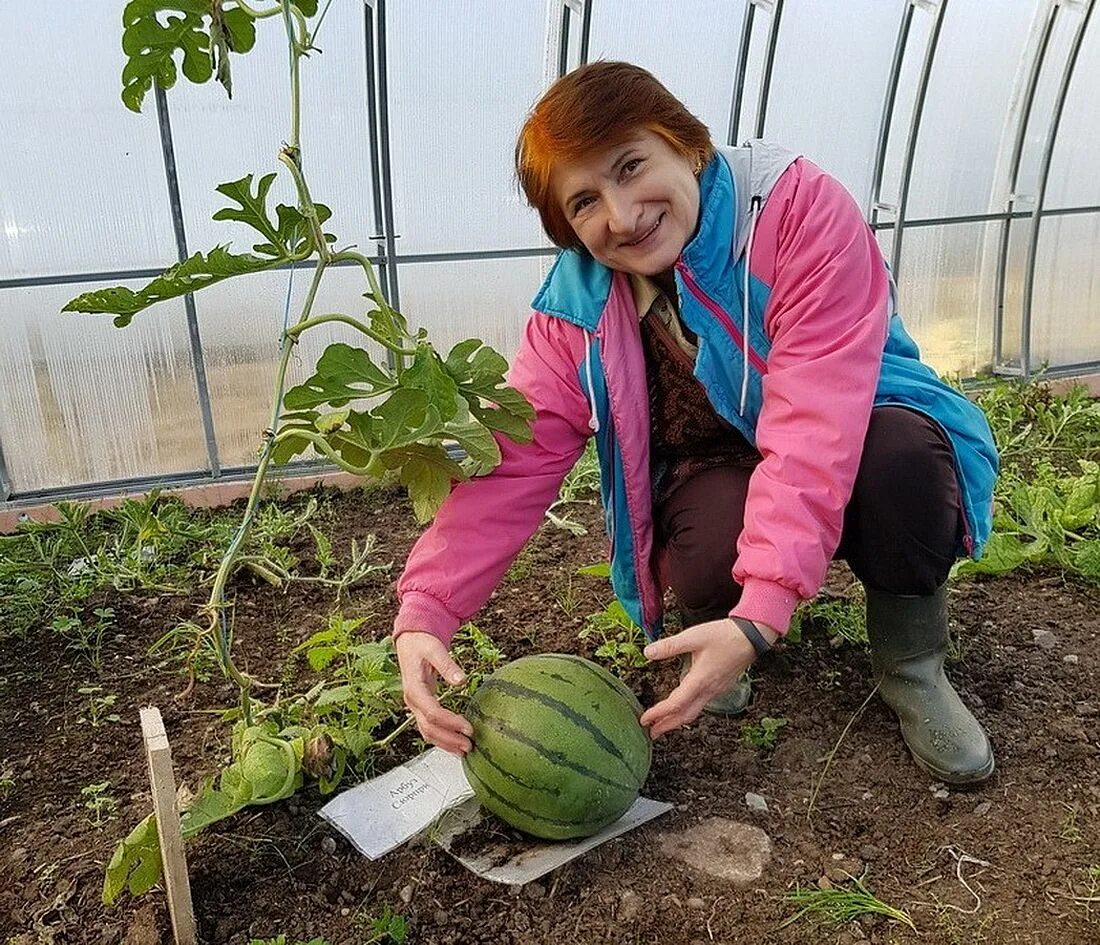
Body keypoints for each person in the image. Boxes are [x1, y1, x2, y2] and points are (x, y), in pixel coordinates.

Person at [392, 61, 998, 785]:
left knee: (904, 461)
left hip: (857, 420)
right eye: (584, 201)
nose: (621, 215)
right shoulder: (575, 308)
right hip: (716, 462)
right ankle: (710, 628)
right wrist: (426, 610)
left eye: (631, 165)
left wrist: (764, 609)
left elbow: (816, 422)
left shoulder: (795, 213)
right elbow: (515, 461)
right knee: (706, 544)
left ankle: (911, 662)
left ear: (685, 143)